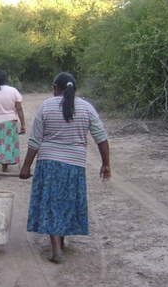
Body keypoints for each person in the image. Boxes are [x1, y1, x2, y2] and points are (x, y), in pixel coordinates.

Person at [19, 72, 111, 264]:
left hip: (49, 163)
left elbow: (35, 141)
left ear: (56, 88)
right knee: (66, 201)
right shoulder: (87, 108)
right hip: (74, 165)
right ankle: (60, 241)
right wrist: (106, 164)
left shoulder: (46, 106)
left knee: (51, 202)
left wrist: (26, 166)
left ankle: (56, 247)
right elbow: (101, 137)